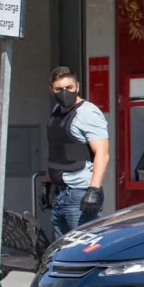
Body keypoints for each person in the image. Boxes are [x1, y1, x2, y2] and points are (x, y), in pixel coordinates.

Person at [46, 66, 110, 240]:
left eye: (69, 88)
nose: (64, 92)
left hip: (79, 194)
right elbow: (55, 151)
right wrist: (48, 184)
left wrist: (93, 190)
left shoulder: (87, 113)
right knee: (62, 251)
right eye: (59, 89)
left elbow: (102, 153)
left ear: (78, 87)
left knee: (84, 248)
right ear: (51, 89)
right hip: (60, 194)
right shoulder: (56, 112)